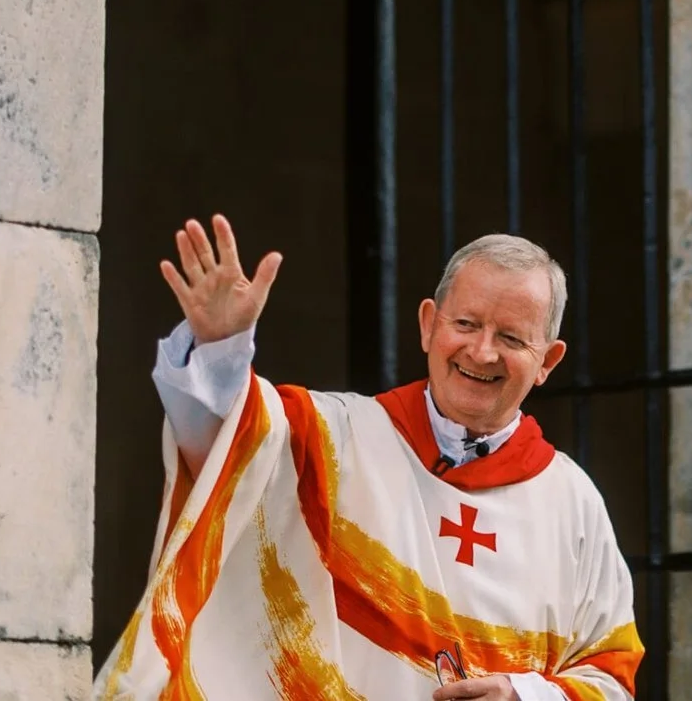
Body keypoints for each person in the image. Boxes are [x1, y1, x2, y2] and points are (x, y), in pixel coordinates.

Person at [94, 215, 642, 701]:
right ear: (428, 323)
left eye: (512, 338)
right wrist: (220, 350)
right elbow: (220, 449)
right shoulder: (330, 436)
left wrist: (524, 696)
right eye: (466, 324)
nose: (482, 352)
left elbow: (612, 677)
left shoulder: (573, 502)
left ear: (547, 360)